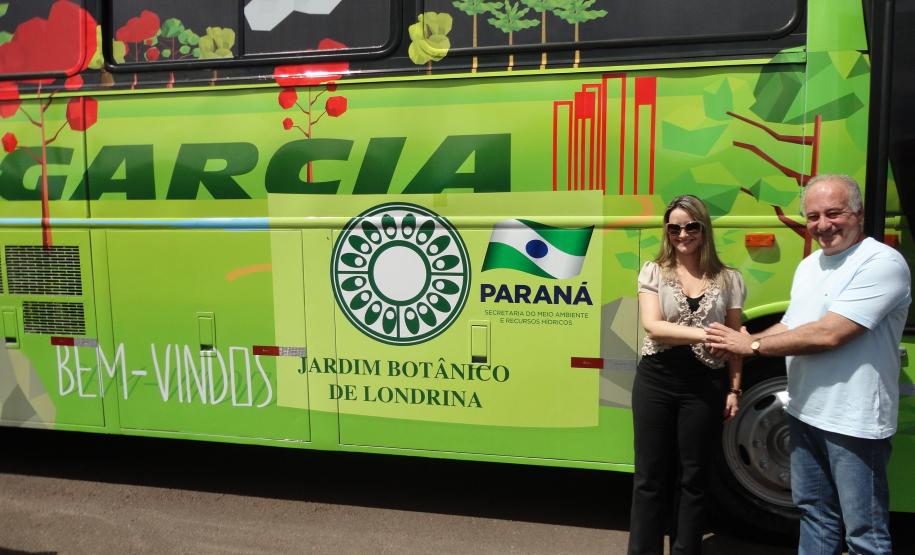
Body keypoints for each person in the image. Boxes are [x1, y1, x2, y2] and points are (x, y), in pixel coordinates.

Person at [705, 174, 911, 555]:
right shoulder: (811, 264)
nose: (823, 225)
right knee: (815, 516)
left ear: (859, 213)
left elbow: (830, 333)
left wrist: (749, 344)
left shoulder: (882, 263)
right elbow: (792, 325)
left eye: (834, 213)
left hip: (854, 423)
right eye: (813, 216)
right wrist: (740, 342)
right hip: (803, 412)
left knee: (865, 533)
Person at [628, 195, 746, 555]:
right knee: (650, 478)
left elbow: (737, 341)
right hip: (657, 379)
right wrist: (709, 334)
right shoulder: (653, 271)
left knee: (694, 478)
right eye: (675, 227)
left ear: (704, 228)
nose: (683, 234)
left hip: (705, 382)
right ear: (667, 231)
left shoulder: (729, 279)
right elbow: (654, 327)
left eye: (691, 226)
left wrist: (734, 389)